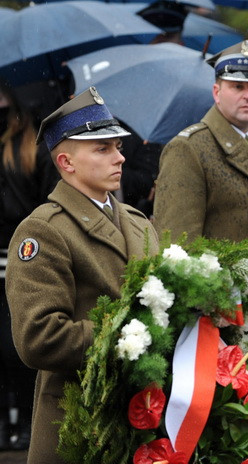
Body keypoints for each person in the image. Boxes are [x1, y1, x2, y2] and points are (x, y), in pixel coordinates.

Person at [4, 87, 160, 463]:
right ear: (66, 162)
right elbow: (38, 337)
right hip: (77, 422)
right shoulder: (43, 230)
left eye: (118, 147)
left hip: (144, 418)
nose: (120, 158)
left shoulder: (139, 223)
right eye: (102, 149)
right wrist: (131, 337)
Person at [152, 40, 248, 395]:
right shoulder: (190, 147)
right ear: (217, 91)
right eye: (237, 87)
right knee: (232, 429)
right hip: (221, 311)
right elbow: (176, 247)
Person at [0, 80, 59, 450]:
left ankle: (23, 419)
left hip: (20, 253)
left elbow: (44, 202)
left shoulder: (31, 144)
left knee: (16, 345)